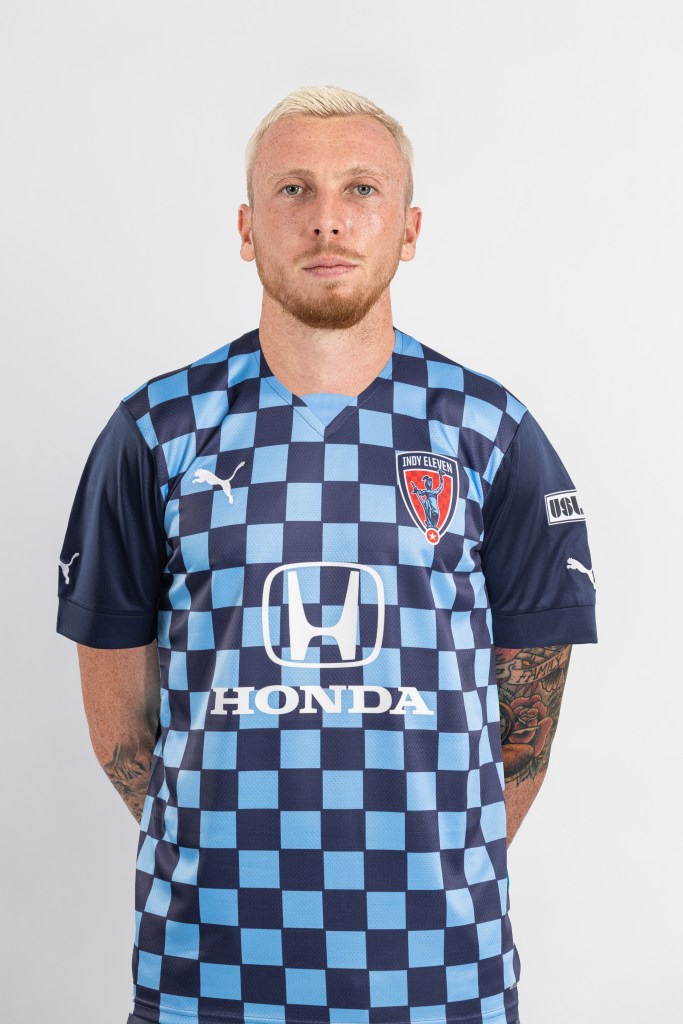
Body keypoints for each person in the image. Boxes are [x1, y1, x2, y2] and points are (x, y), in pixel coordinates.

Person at [56, 85, 597, 1024]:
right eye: (293, 189)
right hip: (204, 976)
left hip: (439, 978)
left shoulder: (490, 432)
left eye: (362, 189)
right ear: (246, 227)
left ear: (409, 228)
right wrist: (226, 858)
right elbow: (122, 731)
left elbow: (526, 729)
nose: (327, 220)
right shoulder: (156, 431)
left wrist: (423, 871)